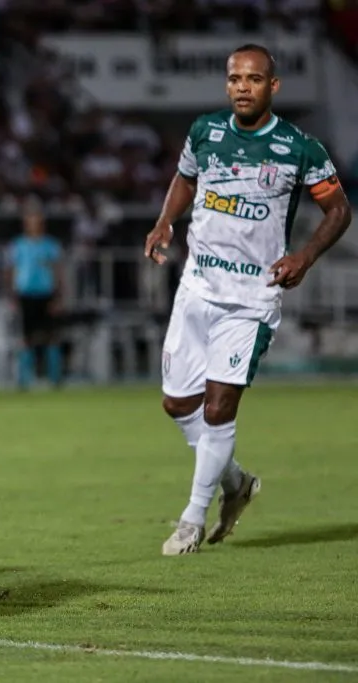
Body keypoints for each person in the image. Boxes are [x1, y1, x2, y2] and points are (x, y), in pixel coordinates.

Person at [144, 45, 351, 555]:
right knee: (177, 402)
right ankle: (236, 484)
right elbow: (186, 178)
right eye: (235, 78)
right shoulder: (205, 132)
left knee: (219, 407)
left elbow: (339, 211)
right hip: (197, 287)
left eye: (254, 79)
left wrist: (304, 256)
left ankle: (191, 520)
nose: (242, 87)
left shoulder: (299, 148)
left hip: (251, 299)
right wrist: (165, 219)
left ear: (272, 87)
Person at [9, 200, 64, 388]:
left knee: (51, 335)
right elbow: (12, 271)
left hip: (46, 294)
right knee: (26, 338)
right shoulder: (18, 245)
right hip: (26, 294)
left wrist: (58, 297)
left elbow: (58, 272)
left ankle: (55, 378)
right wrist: (13, 295)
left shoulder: (50, 245)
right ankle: (25, 379)